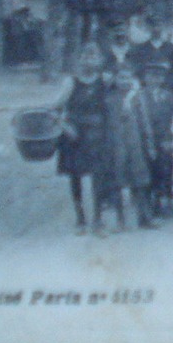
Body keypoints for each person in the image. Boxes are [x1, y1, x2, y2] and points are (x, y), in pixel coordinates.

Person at [55, 46, 110, 234]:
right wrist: (65, 126)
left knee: (99, 177)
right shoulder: (70, 82)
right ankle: (80, 219)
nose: (90, 60)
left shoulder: (105, 81)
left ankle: (98, 220)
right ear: (79, 60)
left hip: (98, 134)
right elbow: (56, 108)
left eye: (94, 56)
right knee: (75, 176)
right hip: (75, 135)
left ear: (100, 60)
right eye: (86, 56)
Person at [103, 61, 158, 231]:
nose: (124, 81)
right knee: (117, 183)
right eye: (120, 78)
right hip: (115, 145)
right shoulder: (109, 98)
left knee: (140, 183)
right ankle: (120, 221)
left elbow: (144, 122)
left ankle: (145, 218)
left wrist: (149, 145)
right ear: (114, 79)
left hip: (135, 145)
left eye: (127, 77)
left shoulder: (136, 98)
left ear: (132, 79)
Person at [134, 59, 173, 216]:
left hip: (163, 138)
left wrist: (170, 138)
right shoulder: (138, 97)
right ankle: (147, 202)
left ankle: (160, 199)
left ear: (163, 79)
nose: (155, 80)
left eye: (158, 76)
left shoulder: (168, 96)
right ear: (144, 78)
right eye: (151, 76)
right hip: (145, 138)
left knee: (162, 168)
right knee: (146, 169)